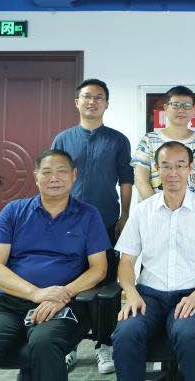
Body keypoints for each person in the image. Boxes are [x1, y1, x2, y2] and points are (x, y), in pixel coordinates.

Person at [0, 150, 110, 381]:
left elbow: (99, 269)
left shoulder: (88, 215)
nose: (54, 178)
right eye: (46, 172)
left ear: (74, 175)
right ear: (36, 177)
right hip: (10, 303)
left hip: (61, 304)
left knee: (44, 344)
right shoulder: (14, 211)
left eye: (62, 172)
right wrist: (35, 293)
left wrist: (62, 294)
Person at [111, 141, 195, 381]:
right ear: (156, 169)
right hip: (149, 295)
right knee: (125, 333)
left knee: (187, 334)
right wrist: (131, 293)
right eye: (166, 166)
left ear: (190, 169)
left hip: (191, 293)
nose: (173, 172)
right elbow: (126, 263)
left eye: (180, 165)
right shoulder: (143, 211)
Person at [52, 78, 134, 373]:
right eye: (87, 97)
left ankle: (105, 345)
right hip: (67, 223)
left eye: (99, 97)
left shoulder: (117, 140)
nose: (92, 102)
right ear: (77, 102)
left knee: (106, 285)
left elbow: (126, 180)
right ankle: (68, 345)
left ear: (106, 104)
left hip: (106, 221)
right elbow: (53, 177)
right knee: (68, 281)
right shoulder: (63, 139)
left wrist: (124, 216)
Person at [133, 85, 195, 200]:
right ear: (166, 108)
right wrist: (156, 208)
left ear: (193, 110)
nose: (181, 110)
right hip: (156, 208)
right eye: (176, 105)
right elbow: (141, 180)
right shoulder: (149, 140)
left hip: (193, 209)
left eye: (187, 106)